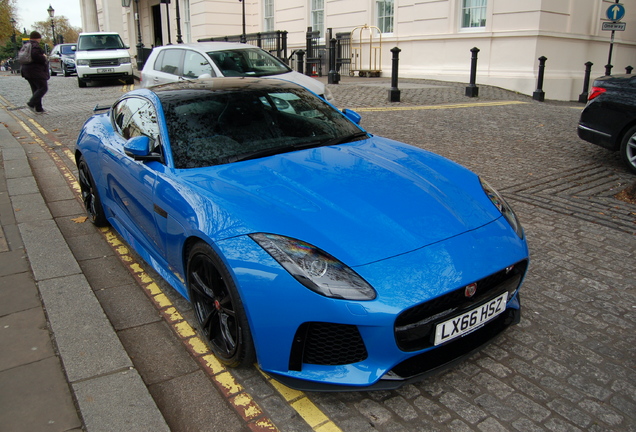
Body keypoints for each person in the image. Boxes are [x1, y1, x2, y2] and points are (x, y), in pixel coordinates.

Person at [21, 31, 49, 113]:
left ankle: (39, 108)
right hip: (35, 71)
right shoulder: (35, 46)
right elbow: (36, 56)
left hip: (26, 70)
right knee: (43, 88)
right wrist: (44, 57)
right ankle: (31, 103)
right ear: (38, 38)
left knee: (35, 89)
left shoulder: (26, 45)